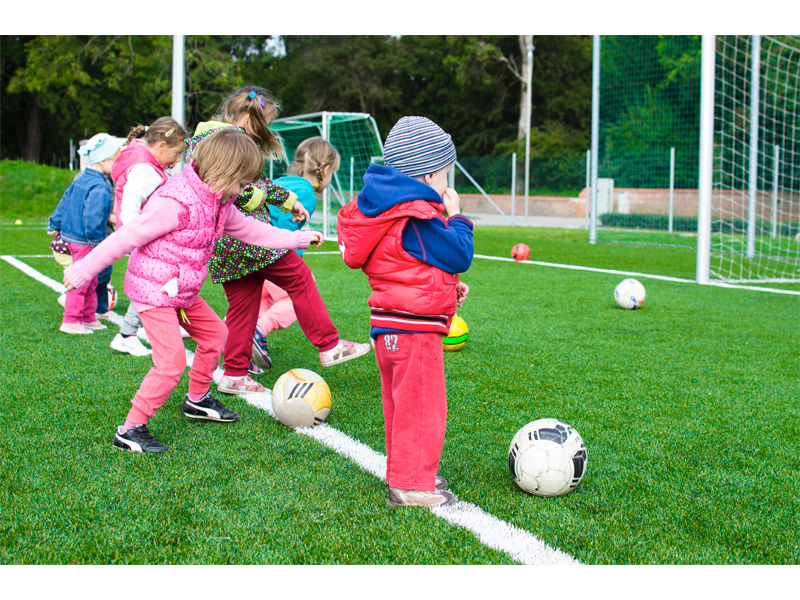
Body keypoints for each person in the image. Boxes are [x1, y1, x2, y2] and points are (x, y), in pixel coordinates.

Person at [63, 128, 323, 453]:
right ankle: (130, 429)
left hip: (181, 291)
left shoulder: (220, 202)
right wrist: (83, 270)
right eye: (243, 184)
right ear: (224, 173)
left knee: (216, 335)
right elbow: (126, 237)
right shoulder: (175, 203)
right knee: (171, 362)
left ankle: (197, 400)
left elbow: (252, 231)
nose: (246, 191)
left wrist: (298, 239)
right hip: (154, 291)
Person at [185, 86, 370, 396]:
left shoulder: (208, 138)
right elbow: (235, 189)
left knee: (244, 306)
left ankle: (234, 373)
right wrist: (263, 202)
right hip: (249, 239)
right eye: (264, 123)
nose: (266, 131)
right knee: (299, 277)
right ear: (247, 118)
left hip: (225, 246)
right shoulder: (225, 142)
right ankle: (329, 345)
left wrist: (289, 201)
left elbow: (257, 182)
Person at [337, 116, 474, 507]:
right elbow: (459, 252)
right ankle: (411, 485)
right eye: (446, 174)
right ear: (429, 174)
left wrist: (448, 289)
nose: (448, 184)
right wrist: (458, 216)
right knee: (422, 407)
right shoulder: (416, 215)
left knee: (402, 406)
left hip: (391, 326)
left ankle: (408, 471)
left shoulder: (387, 210)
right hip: (413, 331)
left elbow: (407, 265)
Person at [251, 136, 340, 371]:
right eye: (333, 173)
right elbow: (284, 229)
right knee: (292, 299)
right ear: (326, 169)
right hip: (271, 254)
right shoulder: (306, 195)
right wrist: (296, 253)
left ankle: (240, 344)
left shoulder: (283, 182)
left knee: (260, 302)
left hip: (250, 252)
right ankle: (258, 332)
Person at [108, 117, 189, 357]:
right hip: (144, 240)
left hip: (146, 238)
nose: (177, 162)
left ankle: (137, 330)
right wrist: (138, 237)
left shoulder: (148, 164)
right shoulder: (145, 171)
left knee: (158, 283)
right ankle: (126, 334)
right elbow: (130, 208)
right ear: (162, 147)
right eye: (176, 154)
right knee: (152, 285)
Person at [48, 133, 123, 334]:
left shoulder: (82, 178)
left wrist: (54, 222)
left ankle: (88, 317)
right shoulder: (99, 185)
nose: (117, 164)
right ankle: (71, 320)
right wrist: (97, 242)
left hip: (76, 238)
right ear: (105, 160)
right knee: (82, 280)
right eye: (116, 159)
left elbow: (64, 200)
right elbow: (93, 217)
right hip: (87, 241)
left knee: (91, 279)